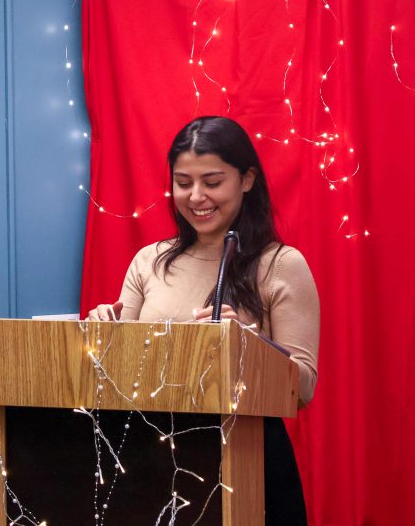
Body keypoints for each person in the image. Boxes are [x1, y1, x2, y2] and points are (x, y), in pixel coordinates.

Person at [88, 115, 320, 525]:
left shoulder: (282, 265)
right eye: (183, 182)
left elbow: (302, 387)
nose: (196, 196)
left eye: (212, 182)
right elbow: (122, 373)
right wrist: (104, 333)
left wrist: (246, 344)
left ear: (246, 180)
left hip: (248, 462)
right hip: (151, 459)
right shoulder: (150, 261)